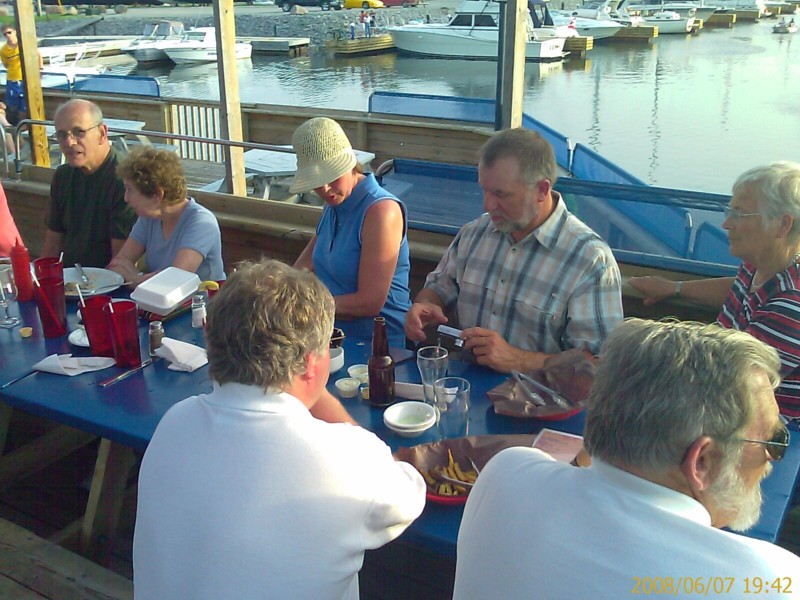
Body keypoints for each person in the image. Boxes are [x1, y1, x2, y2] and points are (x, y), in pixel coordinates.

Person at [133, 259, 426, 599]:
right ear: (311, 364)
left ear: (211, 342)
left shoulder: (174, 423)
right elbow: (406, 493)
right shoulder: (347, 459)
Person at [454, 319, 800, 600]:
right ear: (702, 462)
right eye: (772, 440)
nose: (772, 457)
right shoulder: (769, 581)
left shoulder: (506, 474)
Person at [405, 127, 623, 372]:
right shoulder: (473, 234)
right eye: (484, 190)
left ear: (541, 190)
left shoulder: (590, 260)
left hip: (543, 403)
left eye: (500, 194)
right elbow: (438, 288)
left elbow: (601, 366)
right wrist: (426, 305)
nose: (487, 204)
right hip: (462, 389)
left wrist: (516, 359)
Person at [630, 162, 800, 419]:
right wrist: (675, 288)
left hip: (765, 427)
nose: (726, 224)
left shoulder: (791, 303)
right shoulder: (759, 264)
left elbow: (733, 385)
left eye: (739, 215)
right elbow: (739, 288)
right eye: (729, 211)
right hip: (724, 395)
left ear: (782, 225)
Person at [291, 117, 411, 347]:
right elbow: (301, 270)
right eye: (316, 182)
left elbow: (369, 303)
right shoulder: (334, 203)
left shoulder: (382, 211)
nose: (325, 189)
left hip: (378, 346)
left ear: (350, 163)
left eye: (331, 177)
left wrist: (301, 309)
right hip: (330, 334)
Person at [108, 146, 224, 286]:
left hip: (202, 304)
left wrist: (133, 278)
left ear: (157, 195)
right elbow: (117, 264)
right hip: (155, 301)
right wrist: (139, 279)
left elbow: (174, 283)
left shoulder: (201, 223)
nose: (126, 198)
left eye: (130, 190)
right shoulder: (149, 217)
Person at [40, 99, 135, 267]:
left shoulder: (126, 179)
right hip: (71, 280)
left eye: (79, 132)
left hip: (109, 283)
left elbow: (120, 260)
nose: (69, 142)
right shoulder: (62, 176)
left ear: (102, 133)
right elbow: (52, 244)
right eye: (62, 135)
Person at [0, 25, 42, 125]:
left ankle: (24, 124)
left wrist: (40, 69)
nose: (8, 36)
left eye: (9, 32)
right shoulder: (4, 50)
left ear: (15, 32)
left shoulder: (23, 44)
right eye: (5, 34)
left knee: (25, 103)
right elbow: (6, 64)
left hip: (25, 78)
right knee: (13, 105)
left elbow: (38, 55)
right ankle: (15, 124)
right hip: (12, 79)